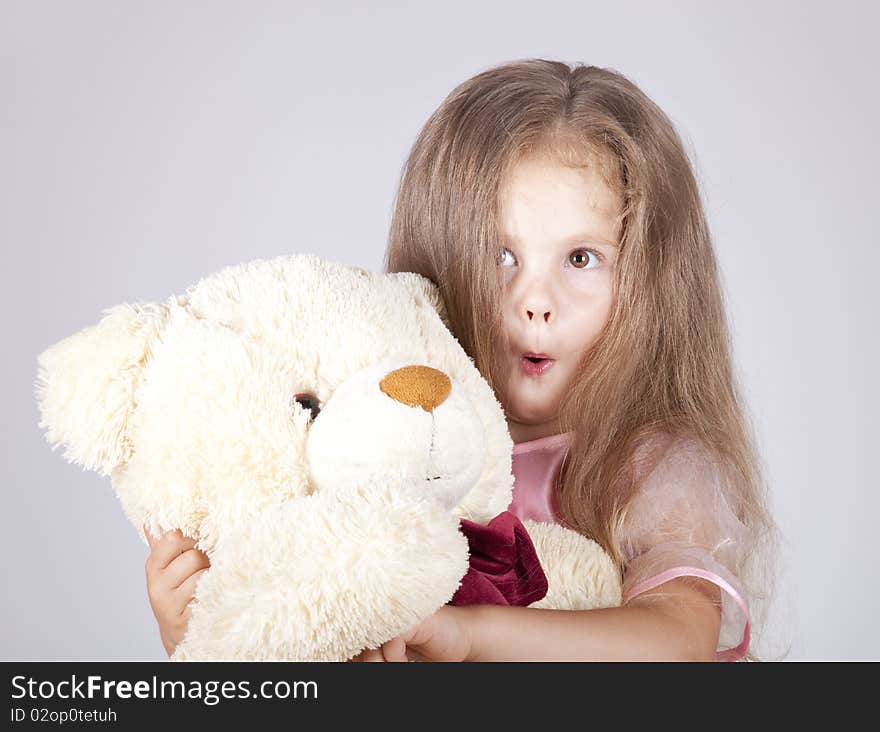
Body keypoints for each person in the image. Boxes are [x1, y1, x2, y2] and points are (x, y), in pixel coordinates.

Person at [145, 58, 779, 662]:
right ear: (439, 264)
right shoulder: (380, 442)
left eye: (580, 259)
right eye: (501, 256)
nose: (536, 301)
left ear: (652, 284)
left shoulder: (650, 467)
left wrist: (469, 636)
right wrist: (202, 632)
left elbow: (678, 639)